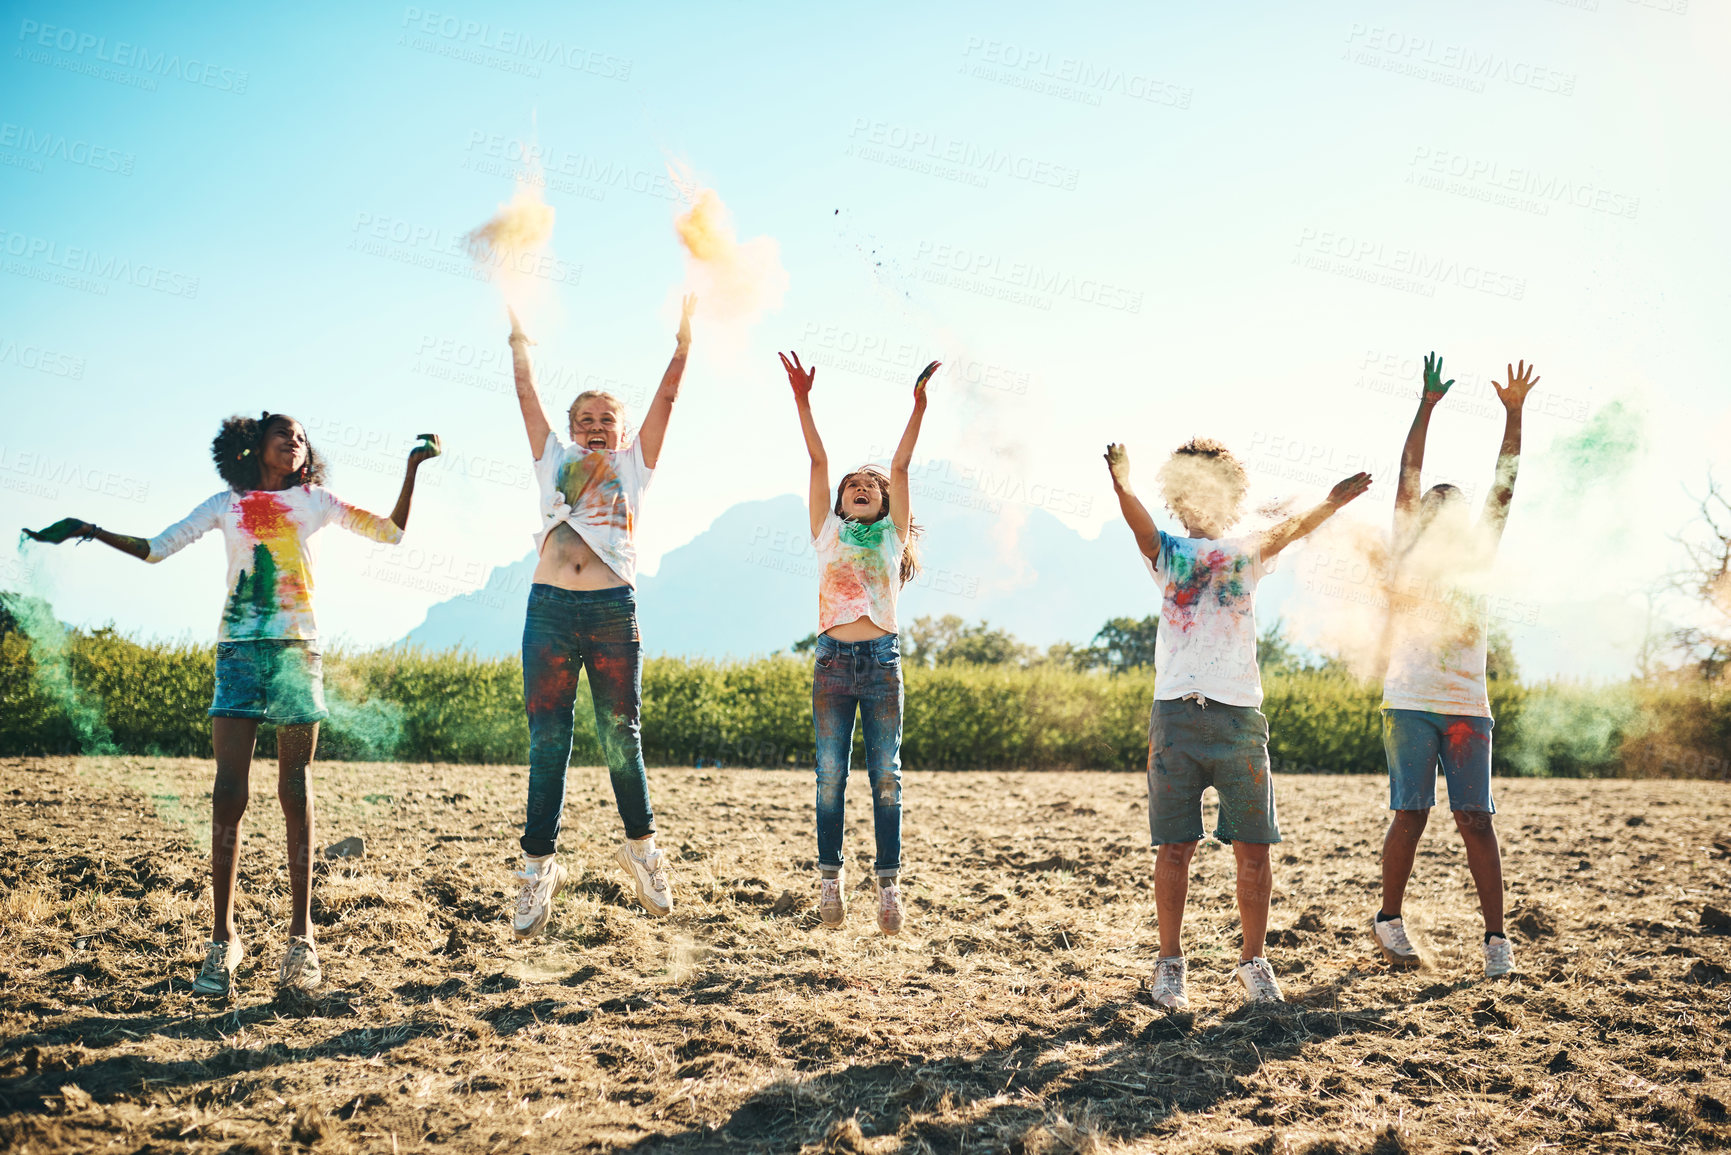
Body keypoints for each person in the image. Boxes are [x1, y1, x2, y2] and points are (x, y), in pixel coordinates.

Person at [26, 414, 438, 997]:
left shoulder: (315, 500)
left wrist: (411, 470)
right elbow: (155, 549)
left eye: (301, 436)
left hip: (297, 651)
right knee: (229, 792)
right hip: (238, 653)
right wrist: (90, 529)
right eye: (282, 434)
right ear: (255, 446)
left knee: (294, 788)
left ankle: (302, 940)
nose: (294, 442)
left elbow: (391, 532)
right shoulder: (227, 503)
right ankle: (223, 941)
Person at [1106, 437, 1370, 1008]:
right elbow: (1139, 528)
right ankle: (1170, 964)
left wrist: (1329, 504)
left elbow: (1292, 530)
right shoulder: (1169, 551)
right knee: (1175, 847)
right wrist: (1123, 486)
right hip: (1175, 715)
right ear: (1178, 495)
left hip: (1240, 719)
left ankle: (1254, 962)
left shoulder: (1248, 550)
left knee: (1253, 847)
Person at [506, 295, 695, 938]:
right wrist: (519, 340)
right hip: (551, 612)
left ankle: (644, 853)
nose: (594, 426)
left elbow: (667, 403)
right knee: (547, 745)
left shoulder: (631, 466)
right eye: (584, 418)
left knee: (623, 737)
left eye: (606, 419)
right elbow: (526, 392)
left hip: (613, 611)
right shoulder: (552, 460)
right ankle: (536, 872)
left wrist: (682, 347)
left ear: (620, 430)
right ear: (569, 427)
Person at [1372, 354, 1539, 979]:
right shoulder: (1407, 552)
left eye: (1453, 505)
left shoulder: (1479, 557)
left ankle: (1497, 939)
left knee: (1475, 819)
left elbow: (1507, 481)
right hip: (1410, 700)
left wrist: (1514, 413)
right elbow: (1407, 474)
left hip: (1468, 704)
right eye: (1434, 504)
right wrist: (1427, 405)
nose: (1443, 508)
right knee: (1410, 813)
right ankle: (1389, 919)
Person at [781, 350, 936, 934]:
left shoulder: (892, 536)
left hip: (881, 663)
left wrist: (916, 407)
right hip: (831, 663)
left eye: (872, 484)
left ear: (887, 501)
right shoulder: (827, 531)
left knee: (887, 776)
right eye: (854, 486)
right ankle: (830, 880)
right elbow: (818, 458)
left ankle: (889, 886)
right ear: (840, 503)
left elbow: (901, 465)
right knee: (829, 776)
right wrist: (803, 400)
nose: (863, 487)